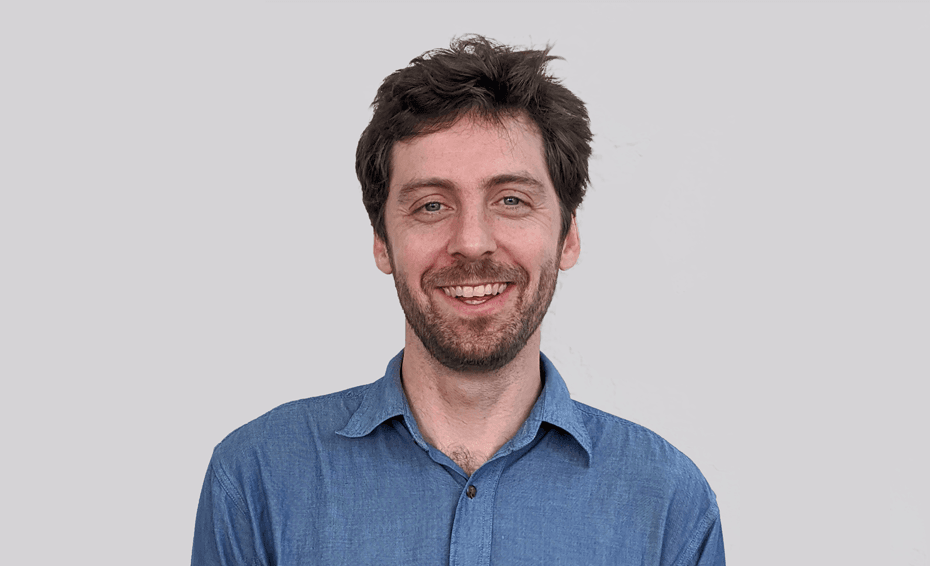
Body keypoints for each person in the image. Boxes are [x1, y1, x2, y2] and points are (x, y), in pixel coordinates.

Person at [191, 35, 725, 565]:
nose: (472, 241)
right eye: (430, 206)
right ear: (383, 242)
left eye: (511, 200)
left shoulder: (669, 504)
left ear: (567, 237)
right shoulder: (257, 480)